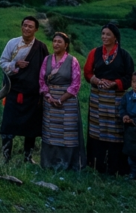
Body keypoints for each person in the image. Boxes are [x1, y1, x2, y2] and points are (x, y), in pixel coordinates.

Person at [83, 23, 134, 175]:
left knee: (116, 132)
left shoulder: (124, 56)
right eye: (103, 34)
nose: (104, 37)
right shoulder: (95, 53)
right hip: (98, 98)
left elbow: (130, 77)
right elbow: (87, 73)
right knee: (97, 131)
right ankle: (96, 163)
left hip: (117, 99)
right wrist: (97, 81)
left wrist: (115, 84)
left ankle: (115, 166)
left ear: (115, 37)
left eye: (108, 34)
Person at [0, 15, 49, 163]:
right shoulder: (12, 43)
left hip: (33, 94)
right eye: (25, 25)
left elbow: (45, 70)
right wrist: (15, 64)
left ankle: (28, 157)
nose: (27, 28)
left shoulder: (41, 47)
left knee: (31, 127)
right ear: (21, 26)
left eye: (30, 26)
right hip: (14, 91)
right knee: (8, 124)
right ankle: (6, 156)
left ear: (36, 30)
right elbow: (2, 62)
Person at [38, 31, 85, 171]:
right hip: (49, 101)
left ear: (66, 45)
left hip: (67, 102)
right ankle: (49, 163)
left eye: (59, 42)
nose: (56, 44)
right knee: (50, 132)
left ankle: (68, 164)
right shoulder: (47, 60)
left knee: (67, 133)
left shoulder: (72, 60)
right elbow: (41, 80)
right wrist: (48, 97)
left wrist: (61, 99)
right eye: (54, 41)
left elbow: (75, 84)